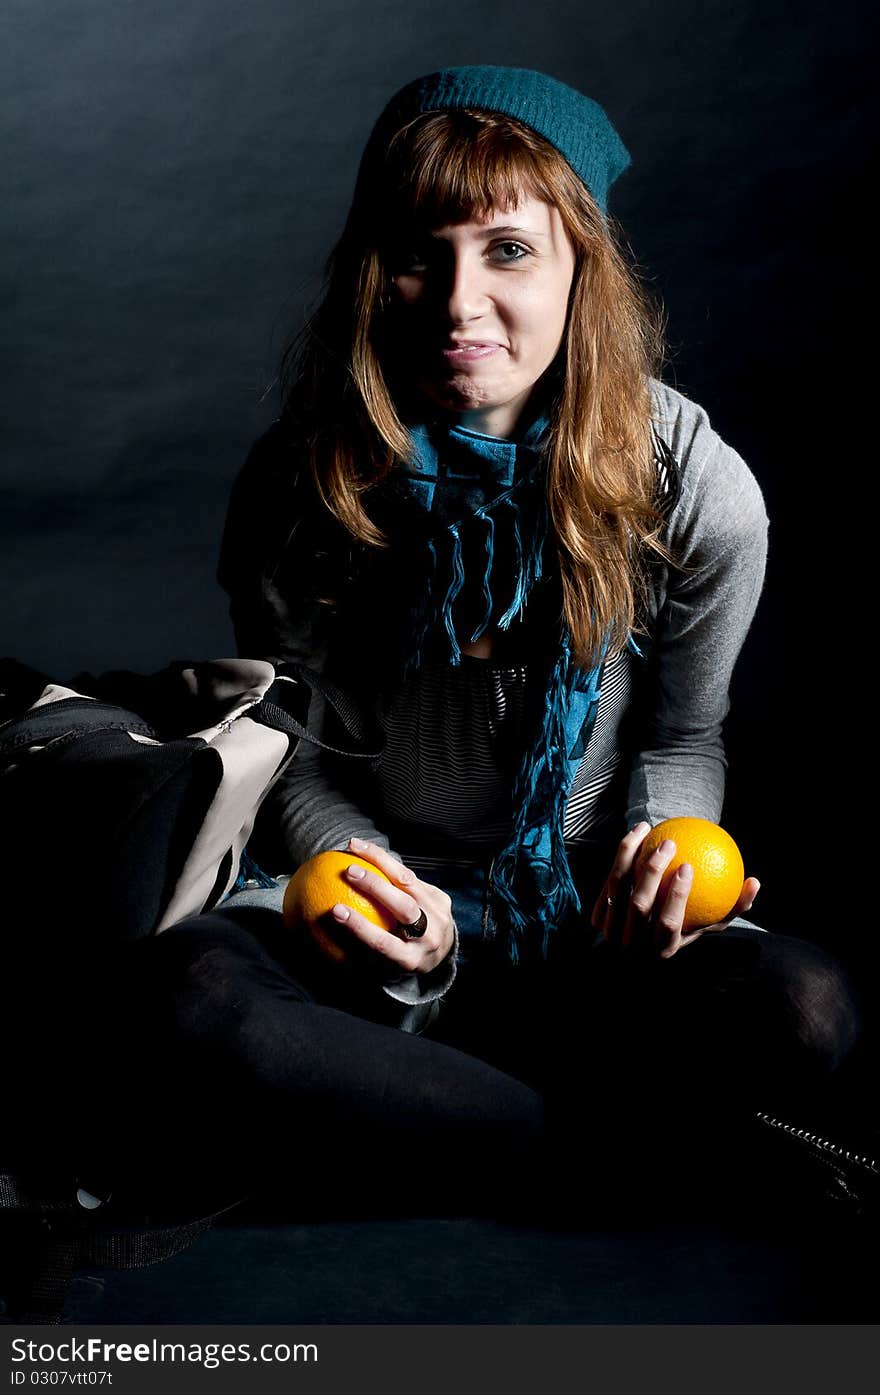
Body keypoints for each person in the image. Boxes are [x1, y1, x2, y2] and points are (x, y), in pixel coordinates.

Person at [113, 67, 862, 1221]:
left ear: (579, 269)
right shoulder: (299, 482)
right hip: (379, 913)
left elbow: (684, 729)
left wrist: (666, 842)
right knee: (187, 1007)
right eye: (421, 252)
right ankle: (591, 1159)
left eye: (508, 250)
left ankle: (427, 1116)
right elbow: (296, 750)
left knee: (802, 1010)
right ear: (377, 274)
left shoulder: (698, 487)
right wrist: (378, 885)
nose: (459, 303)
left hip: (590, 931)